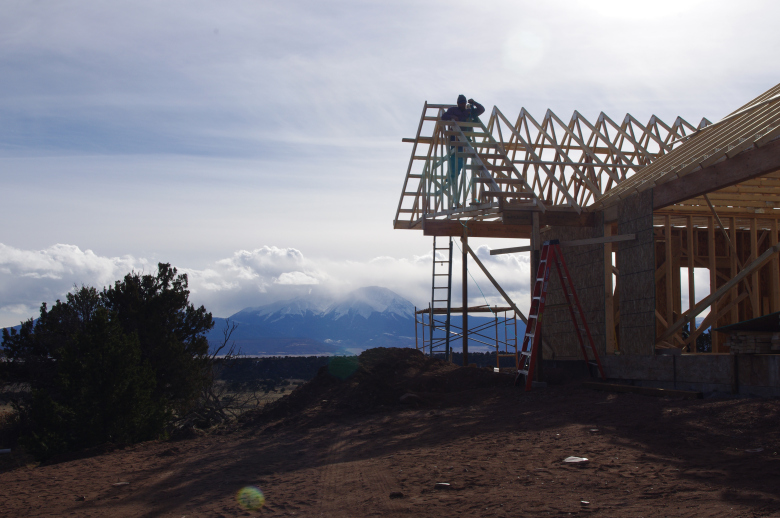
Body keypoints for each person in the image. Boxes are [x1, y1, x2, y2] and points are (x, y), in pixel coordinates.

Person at [441, 95, 485, 187]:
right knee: (454, 158)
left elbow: (481, 110)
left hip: (465, 138)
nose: (463, 104)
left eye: (464, 103)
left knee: (460, 161)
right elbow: (443, 116)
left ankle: (453, 175)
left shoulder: (469, 111)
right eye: (461, 103)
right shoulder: (453, 110)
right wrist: (452, 116)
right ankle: (451, 175)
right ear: (458, 103)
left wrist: (474, 103)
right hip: (455, 138)